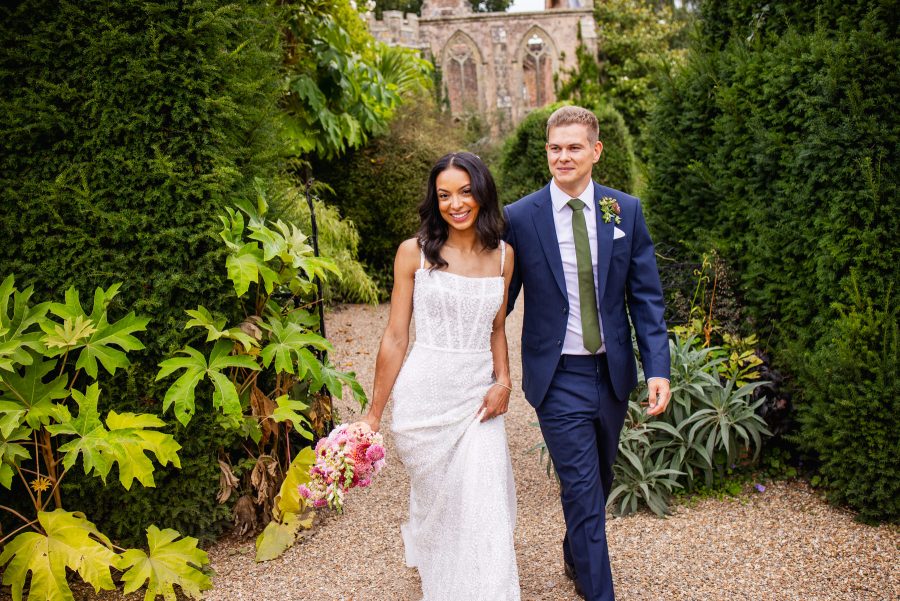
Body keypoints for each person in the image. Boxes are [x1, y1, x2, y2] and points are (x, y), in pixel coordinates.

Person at [503, 106, 671, 601]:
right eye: (555, 147)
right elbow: (501, 301)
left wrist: (657, 367)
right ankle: (600, 592)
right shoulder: (521, 217)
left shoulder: (623, 210)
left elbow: (645, 296)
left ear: (596, 151)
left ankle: (575, 552)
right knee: (581, 489)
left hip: (612, 372)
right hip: (555, 376)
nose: (563, 156)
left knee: (595, 479)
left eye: (574, 147)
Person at [360, 152, 520, 600]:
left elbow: (497, 327)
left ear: (482, 193)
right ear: (435, 199)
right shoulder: (413, 253)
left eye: (466, 191)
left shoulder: (505, 256)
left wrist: (503, 380)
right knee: (440, 507)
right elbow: (395, 337)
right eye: (445, 194)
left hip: (477, 400)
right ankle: (443, 573)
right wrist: (373, 414)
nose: (456, 203)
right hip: (423, 400)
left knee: (484, 503)